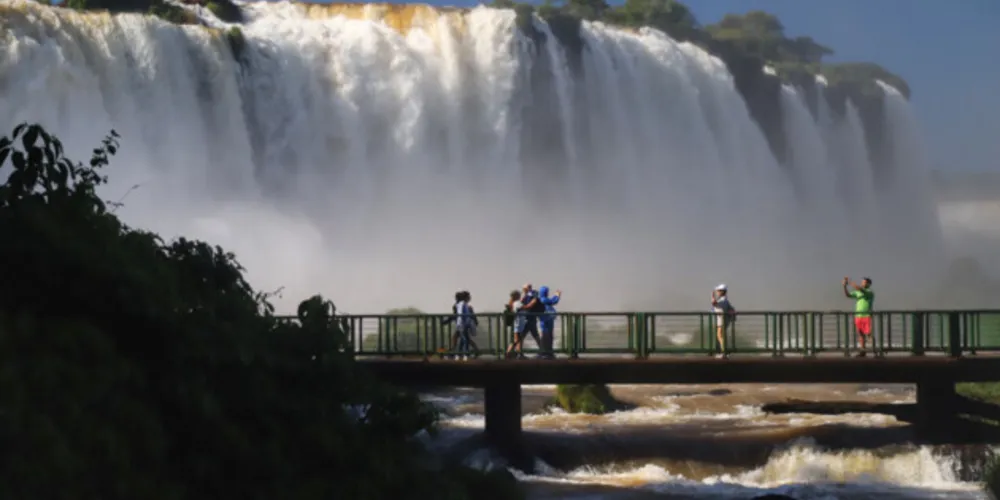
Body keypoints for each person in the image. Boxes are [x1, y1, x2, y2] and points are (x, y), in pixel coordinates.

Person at [441, 290, 480, 359]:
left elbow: (454, 316)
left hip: (462, 325)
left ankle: (457, 353)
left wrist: (446, 322)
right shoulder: (465, 306)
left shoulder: (460, 306)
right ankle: (460, 352)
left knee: (460, 338)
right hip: (464, 325)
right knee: (462, 338)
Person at [843, 276, 875, 357]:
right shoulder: (857, 292)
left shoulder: (869, 292)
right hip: (858, 315)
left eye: (864, 282)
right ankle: (862, 351)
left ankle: (876, 349)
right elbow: (848, 295)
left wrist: (849, 281)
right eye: (862, 282)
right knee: (860, 334)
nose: (862, 283)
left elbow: (859, 288)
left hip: (866, 315)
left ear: (869, 284)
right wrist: (844, 286)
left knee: (868, 333)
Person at [710, 284, 736, 359]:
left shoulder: (723, 301)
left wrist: (712, 296)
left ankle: (724, 353)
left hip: (721, 320)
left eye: (718, 291)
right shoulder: (725, 300)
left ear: (721, 292)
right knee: (721, 336)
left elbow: (714, 303)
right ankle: (724, 352)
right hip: (723, 320)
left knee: (720, 336)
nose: (717, 292)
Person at [538, 286, 562, 359]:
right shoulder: (543, 299)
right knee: (546, 337)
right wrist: (557, 295)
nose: (548, 293)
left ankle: (549, 352)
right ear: (544, 292)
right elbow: (553, 301)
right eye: (547, 291)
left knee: (549, 337)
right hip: (545, 321)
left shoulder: (544, 299)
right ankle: (544, 353)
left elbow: (551, 301)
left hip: (549, 320)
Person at [453, 290, 476, 361]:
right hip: (462, 324)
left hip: (464, 324)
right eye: (468, 296)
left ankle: (458, 354)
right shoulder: (462, 304)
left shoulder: (464, 304)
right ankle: (465, 355)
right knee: (465, 340)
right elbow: (461, 315)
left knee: (463, 341)